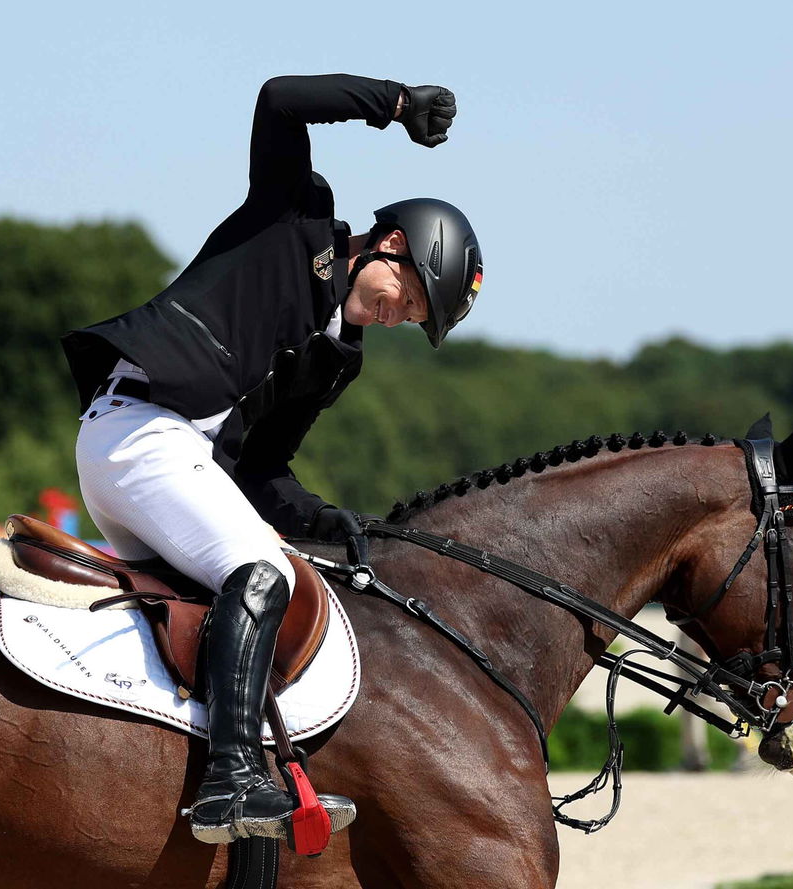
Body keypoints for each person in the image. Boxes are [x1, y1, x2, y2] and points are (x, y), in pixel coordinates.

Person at [60, 75, 483, 845]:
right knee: (268, 576)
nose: (396, 315)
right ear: (391, 243)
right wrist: (392, 105)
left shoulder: (336, 359)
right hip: (140, 428)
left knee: (271, 576)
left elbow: (261, 472)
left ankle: (174, 770)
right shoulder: (296, 213)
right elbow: (279, 98)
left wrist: (336, 521)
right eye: (407, 294)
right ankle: (230, 781)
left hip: (165, 460)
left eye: (413, 317)